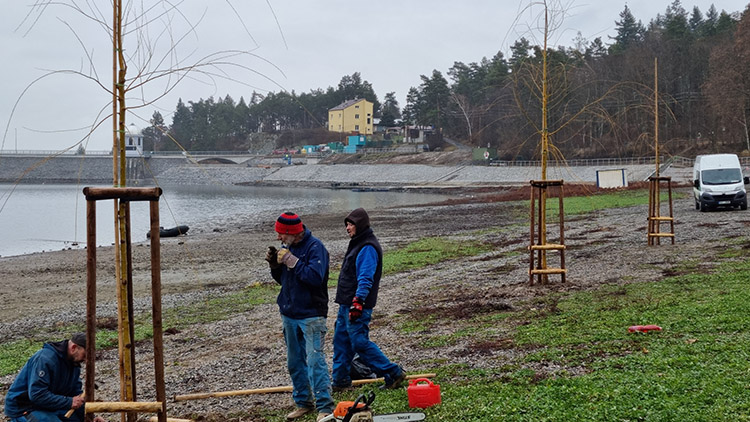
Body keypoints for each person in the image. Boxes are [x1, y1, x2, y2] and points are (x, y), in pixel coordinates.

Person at [266, 212, 334, 421]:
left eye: (280, 234)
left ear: (291, 233)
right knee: (294, 362)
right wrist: (275, 266)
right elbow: (284, 280)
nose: (278, 238)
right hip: (289, 313)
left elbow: (315, 277)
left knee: (315, 361)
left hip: (311, 314)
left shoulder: (316, 248)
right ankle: (303, 402)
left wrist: (291, 260)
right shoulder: (289, 247)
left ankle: (325, 407)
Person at [331, 208, 406, 391]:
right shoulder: (358, 243)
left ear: (360, 225)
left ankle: (393, 373)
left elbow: (366, 277)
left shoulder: (367, 247)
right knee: (341, 342)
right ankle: (340, 382)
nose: (348, 228)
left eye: (351, 224)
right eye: (347, 224)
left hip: (357, 305)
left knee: (359, 343)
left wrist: (358, 301)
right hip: (345, 303)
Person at [4, 333, 106, 422]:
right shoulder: (45, 359)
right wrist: (69, 402)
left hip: (49, 405)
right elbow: (37, 395)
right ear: (74, 348)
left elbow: (75, 394)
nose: (85, 360)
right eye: (85, 355)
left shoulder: (74, 364)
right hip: (24, 407)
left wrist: (89, 417)